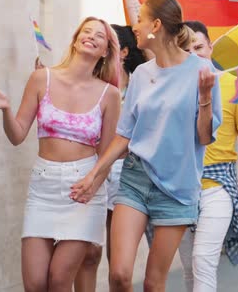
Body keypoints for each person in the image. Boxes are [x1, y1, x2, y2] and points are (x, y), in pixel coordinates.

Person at [69, 0, 222, 292]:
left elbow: (204, 137)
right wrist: (94, 175)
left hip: (177, 189)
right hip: (136, 179)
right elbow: (124, 135)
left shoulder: (203, 72)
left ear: (155, 25)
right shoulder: (141, 74)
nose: (135, 27)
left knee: (153, 283)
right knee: (120, 275)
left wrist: (205, 99)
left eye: (139, 21)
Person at [0, 17, 121, 292]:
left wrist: (93, 185)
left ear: (105, 51)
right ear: (76, 40)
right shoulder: (42, 78)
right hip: (43, 188)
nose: (91, 36)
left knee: (59, 280)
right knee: (35, 284)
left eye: (99, 35)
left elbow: (107, 156)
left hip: (83, 190)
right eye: (86, 31)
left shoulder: (110, 95)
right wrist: (6, 109)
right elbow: (17, 135)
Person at [178, 20, 238, 291]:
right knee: (189, 267)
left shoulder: (236, 85)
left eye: (199, 47)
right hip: (179, 188)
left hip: (218, 186)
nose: (194, 54)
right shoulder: (173, 86)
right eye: (187, 49)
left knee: (203, 260)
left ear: (210, 47)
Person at [74, 24, 147, 292]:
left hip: (128, 177)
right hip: (96, 172)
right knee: (88, 252)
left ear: (123, 51)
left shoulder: (141, 81)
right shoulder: (93, 84)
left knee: (119, 268)